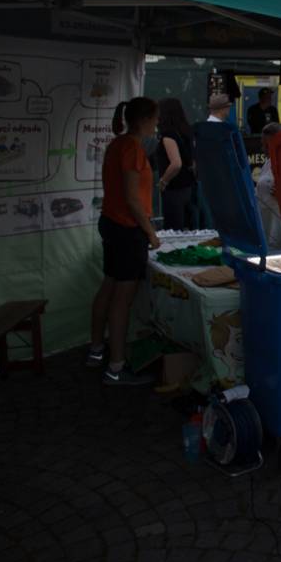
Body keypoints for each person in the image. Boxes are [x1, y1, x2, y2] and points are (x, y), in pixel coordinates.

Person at [88, 97, 161, 386]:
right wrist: (150, 232)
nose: (157, 124)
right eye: (155, 119)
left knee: (108, 285)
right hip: (127, 229)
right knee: (122, 298)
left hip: (112, 223)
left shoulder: (118, 144)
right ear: (144, 120)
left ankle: (96, 351)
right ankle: (116, 368)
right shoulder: (132, 148)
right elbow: (132, 199)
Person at [154, 98, 198, 230]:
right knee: (188, 228)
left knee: (174, 228)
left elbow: (176, 163)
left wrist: (163, 181)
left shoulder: (168, 135)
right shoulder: (187, 132)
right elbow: (193, 161)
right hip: (188, 186)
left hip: (174, 189)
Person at [256, 122, 281, 248]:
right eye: (262, 144)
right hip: (267, 233)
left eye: (266, 145)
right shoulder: (269, 163)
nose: (262, 149)